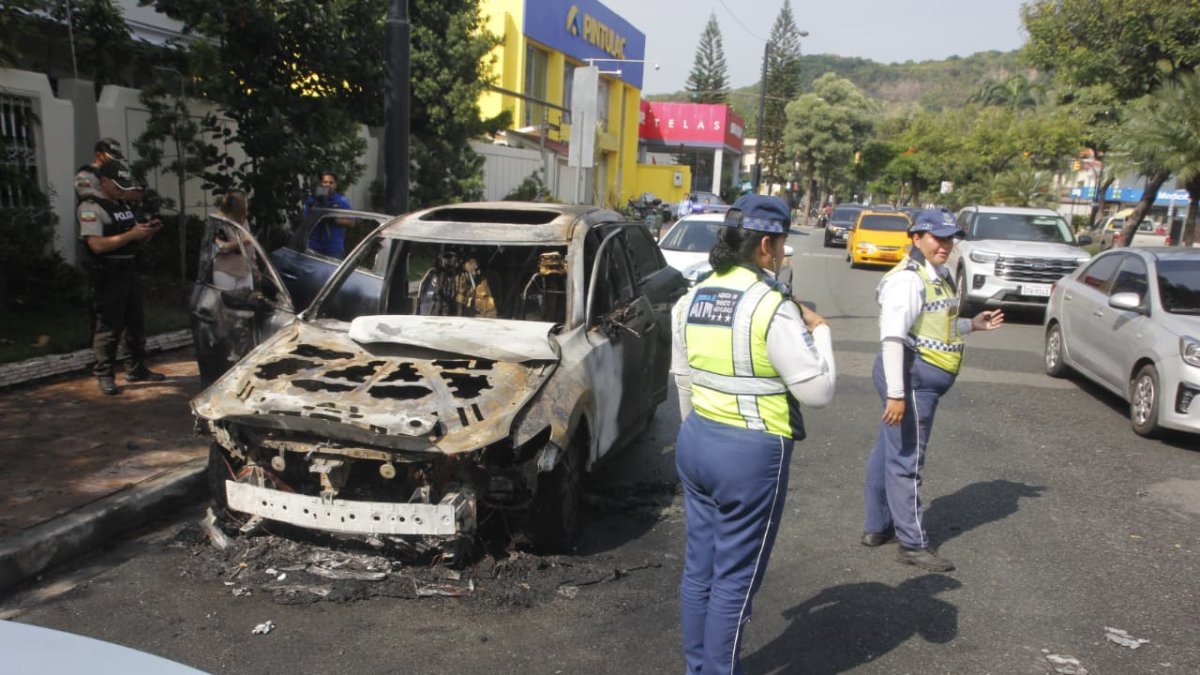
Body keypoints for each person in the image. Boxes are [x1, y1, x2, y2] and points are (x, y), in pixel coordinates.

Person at [671, 194, 837, 674]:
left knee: (699, 570)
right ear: (767, 244)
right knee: (735, 580)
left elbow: (683, 378)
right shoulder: (772, 305)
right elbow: (818, 392)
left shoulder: (694, 294)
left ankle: (697, 668)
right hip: (751, 453)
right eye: (782, 243)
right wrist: (820, 328)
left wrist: (695, 433)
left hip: (697, 439)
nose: (783, 253)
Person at [861, 208, 1005, 572]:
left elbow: (936, 325)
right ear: (916, 237)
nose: (945, 245)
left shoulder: (935, 276)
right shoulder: (908, 280)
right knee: (907, 457)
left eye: (950, 238)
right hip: (911, 379)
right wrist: (897, 393)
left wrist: (972, 325)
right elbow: (894, 337)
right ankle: (912, 542)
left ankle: (877, 526)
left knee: (889, 450)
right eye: (938, 238)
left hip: (917, 380)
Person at [78, 159, 165, 395]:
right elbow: (96, 245)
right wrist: (132, 234)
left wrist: (147, 231)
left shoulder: (122, 206)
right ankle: (105, 374)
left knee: (136, 323)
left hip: (130, 270)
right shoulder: (90, 207)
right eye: (116, 185)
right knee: (109, 326)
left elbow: (133, 238)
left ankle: (136, 368)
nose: (121, 189)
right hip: (107, 274)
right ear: (104, 181)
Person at [210, 191, 254, 291]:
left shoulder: (244, 222)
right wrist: (242, 242)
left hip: (245, 270)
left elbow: (251, 246)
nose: (247, 205)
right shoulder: (220, 222)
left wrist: (254, 265)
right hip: (225, 271)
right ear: (238, 206)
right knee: (227, 304)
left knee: (245, 304)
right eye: (245, 203)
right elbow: (219, 247)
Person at [302, 170, 352, 258]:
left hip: (333, 247)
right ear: (321, 183)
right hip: (314, 245)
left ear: (335, 185)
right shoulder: (313, 199)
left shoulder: (342, 201)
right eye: (325, 182)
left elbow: (351, 222)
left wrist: (333, 219)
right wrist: (314, 212)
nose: (328, 185)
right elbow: (305, 221)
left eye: (331, 183)